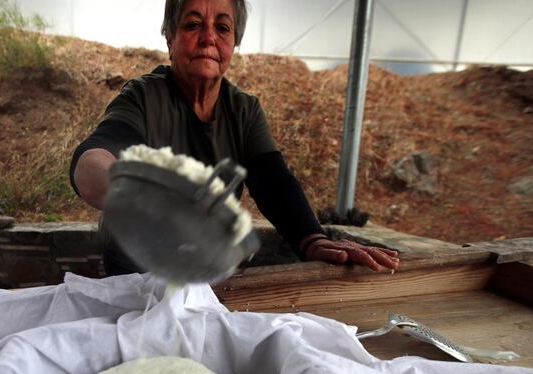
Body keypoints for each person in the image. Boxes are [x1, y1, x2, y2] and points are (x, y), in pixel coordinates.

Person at [70, 0, 399, 276]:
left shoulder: (244, 110)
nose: (208, 38)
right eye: (193, 24)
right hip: (136, 272)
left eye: (223, 28)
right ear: (169, 37)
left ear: (234, 43)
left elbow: (273, 181)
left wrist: (311, 238)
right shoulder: (143, 97)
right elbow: (93, 160)